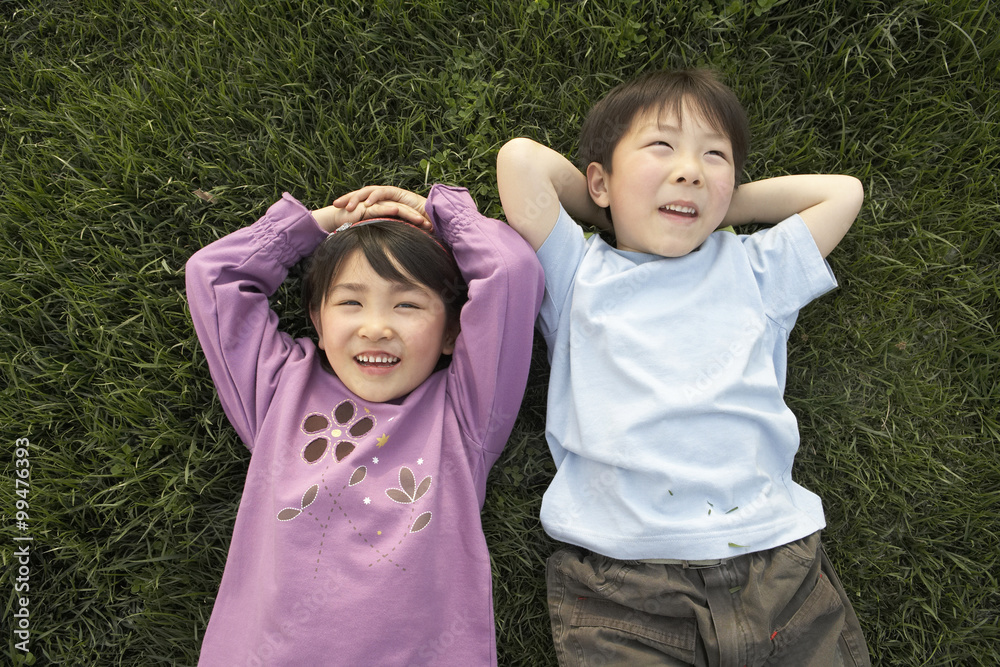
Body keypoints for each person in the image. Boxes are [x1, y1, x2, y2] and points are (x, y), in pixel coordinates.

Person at [497, 69, 871, 666]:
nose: (690, 169)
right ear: (598, 179)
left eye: (714, 156)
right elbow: (520, 163)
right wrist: (614, 207)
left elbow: (842, 193)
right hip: (625, 586)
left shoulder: (754, 269)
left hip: (775, 564)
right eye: (662, 147)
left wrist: (719, 203)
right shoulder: (577, 273)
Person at [185, 183, 543, 665]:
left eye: (408, 305)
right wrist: (318, 224)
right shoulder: (278, 394)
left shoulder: (465, 415)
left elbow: (511, 272)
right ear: (316, 317)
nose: (376, 326)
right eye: (350, 303)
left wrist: (439, 216)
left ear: (453, 331)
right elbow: (214, 278)